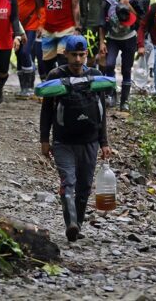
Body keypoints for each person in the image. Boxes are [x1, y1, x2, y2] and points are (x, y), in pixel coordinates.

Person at [39, 35, 112, 242]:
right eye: (74, 55)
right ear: (65, 55)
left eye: (82, 55)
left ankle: (77, 225)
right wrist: (45, 139)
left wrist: (104, 142)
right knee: (68, 182)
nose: (78, 60)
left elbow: (102, 111)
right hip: (63, 142)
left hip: (90, 141)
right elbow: (46, 110)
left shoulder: (95, 76)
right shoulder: (56, 75)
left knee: (85, 187)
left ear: (87, 55)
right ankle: (70, 223)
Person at [98, 0, 144, 111]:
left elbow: (141, 19)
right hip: (112, 38)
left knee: (126, 69)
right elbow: (102, 23)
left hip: (129, 38)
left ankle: (124, 101)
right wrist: (101, 42)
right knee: (109, 64)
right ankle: (111, 95)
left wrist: (129, 6)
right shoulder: (107, 1)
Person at [33, 0, 81, 74]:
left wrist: (77, 27)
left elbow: (75, 6)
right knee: (47, 63)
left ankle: (64, 87)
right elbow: (40, 7)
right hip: (48, 29)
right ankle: (54, 87)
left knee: (63, 59)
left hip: (66, 28)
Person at [6, 0, 41, 99]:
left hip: (31, 24)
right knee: (19, 54)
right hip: (15, 26)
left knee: (26, 52)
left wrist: (41, 22)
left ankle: (29, 86)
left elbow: (41, 3)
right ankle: (23, 88)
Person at [85, 0, 111, 68]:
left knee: (103, 59)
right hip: (90, 26)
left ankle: (101, 81)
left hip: (106, 27)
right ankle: (89, 80)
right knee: (90, 59)